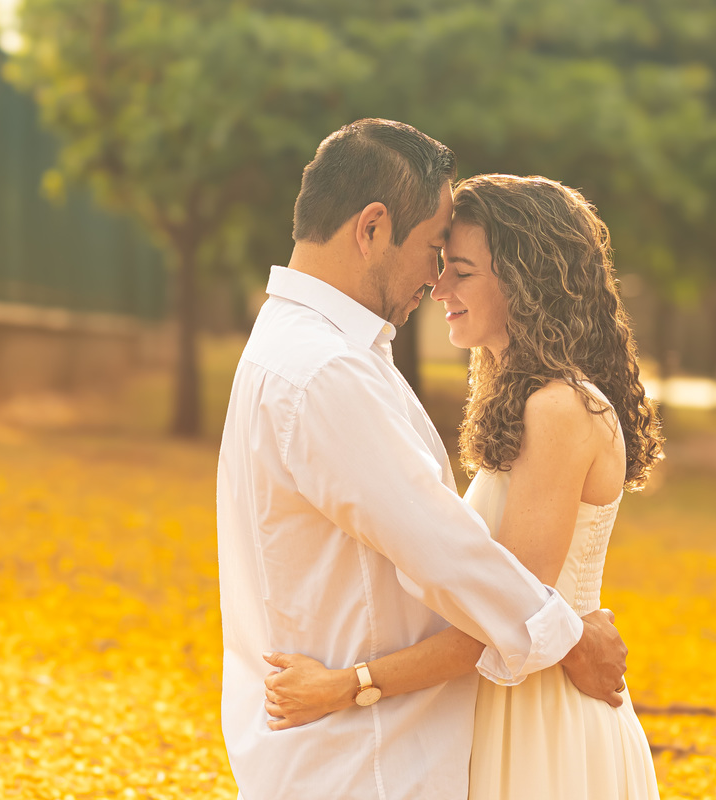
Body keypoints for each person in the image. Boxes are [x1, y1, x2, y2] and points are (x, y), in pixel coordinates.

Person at [217, 120, 629, 800]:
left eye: (457, 263)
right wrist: (570, 637)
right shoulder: (324, 371)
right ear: (372, 228)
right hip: (363, 762)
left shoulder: (298, 347)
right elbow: (447, 556)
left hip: (376, 744)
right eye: (435, 249)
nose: (436, 278)